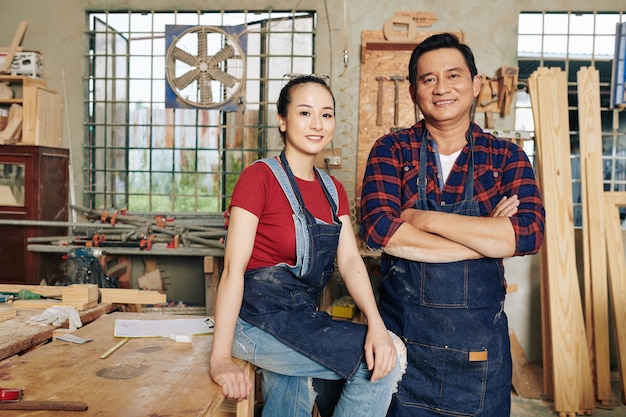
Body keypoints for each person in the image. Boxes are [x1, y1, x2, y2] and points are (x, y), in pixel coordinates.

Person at [360, 33, 545, 416]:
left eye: (453, 76)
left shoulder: (507, 157)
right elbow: (381, 230)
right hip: (403, 354)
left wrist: (423, 219)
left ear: (476, 84)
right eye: (428, 79)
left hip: (479, 360)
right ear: (414, 91)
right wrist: (486, 238)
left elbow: (528, 233)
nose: (441, 88)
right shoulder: (392, 150)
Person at [210, 74, 406, 417]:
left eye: (326, 114)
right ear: (283, 121)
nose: (317, 124)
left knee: (383, 346)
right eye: (304, 113)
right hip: (255, 321)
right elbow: (232, 271)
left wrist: (375, 322)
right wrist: (220, 358)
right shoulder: (258, 178)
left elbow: (349, 261)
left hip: (300, 321)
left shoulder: (333, 190)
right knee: (385, 357)